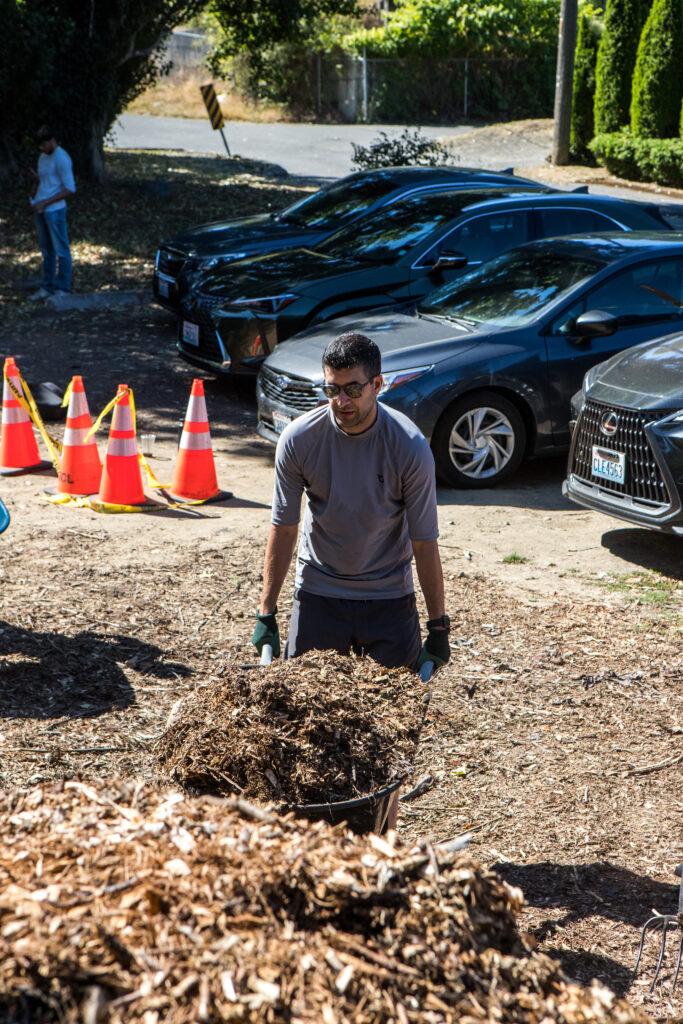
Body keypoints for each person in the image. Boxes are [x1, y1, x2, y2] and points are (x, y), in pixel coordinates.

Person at [251, 331, 451, 673]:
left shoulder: (408, 446)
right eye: (331, 389)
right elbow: (284, 528)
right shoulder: (299, 440)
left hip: (388, 594)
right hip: (319, 590)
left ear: (378, 384)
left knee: (394, 713)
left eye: (353, 390)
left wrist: (438, 626)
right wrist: (266, 611)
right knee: (305, 712)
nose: (341, 400)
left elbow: (424, 541)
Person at [28, 125, 76, 298]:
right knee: (47, 250)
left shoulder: (62, 158)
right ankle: (48, 286)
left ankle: (63, 288)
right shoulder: (43, 157)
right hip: (41, 208)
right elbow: (48, 179)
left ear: (52, 141)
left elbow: (70, 188)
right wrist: (36, 178)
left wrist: (45, 202)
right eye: (40, 146)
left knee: (61, 249)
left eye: (44, 145)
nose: (42, 148)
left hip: (54, 210)